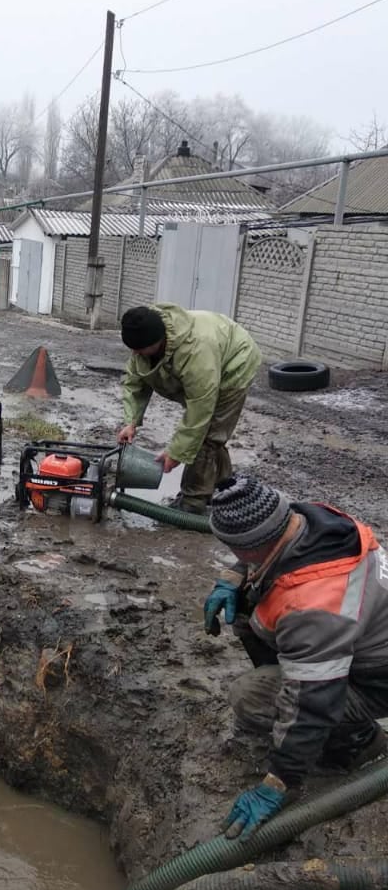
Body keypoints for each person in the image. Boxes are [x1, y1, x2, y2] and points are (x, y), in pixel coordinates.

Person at [205, 476, 388, 840]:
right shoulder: (309, 521)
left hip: (377, 681)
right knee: (245, 605)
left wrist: (279, 782)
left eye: (236, 552)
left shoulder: (314, 608)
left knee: (250, 698)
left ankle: (358, 742)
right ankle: (308, 695)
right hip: (362, 647)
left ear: (251, 546)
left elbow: (313, 703)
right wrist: (231, 577)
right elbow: (262, 548)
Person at [116, 304, 261, 513]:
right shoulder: (145, 339)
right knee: (208, 435)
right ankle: (225, 487)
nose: (135, 353)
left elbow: (199, 411)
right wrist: (131, 421)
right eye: (133, 350)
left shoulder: (196, 351)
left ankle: (192, 502)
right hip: (209, 358)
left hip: (236, 362)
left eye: (139, 350)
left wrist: (176, 453)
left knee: (208, 434)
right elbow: (135, 381)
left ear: (158, 341)